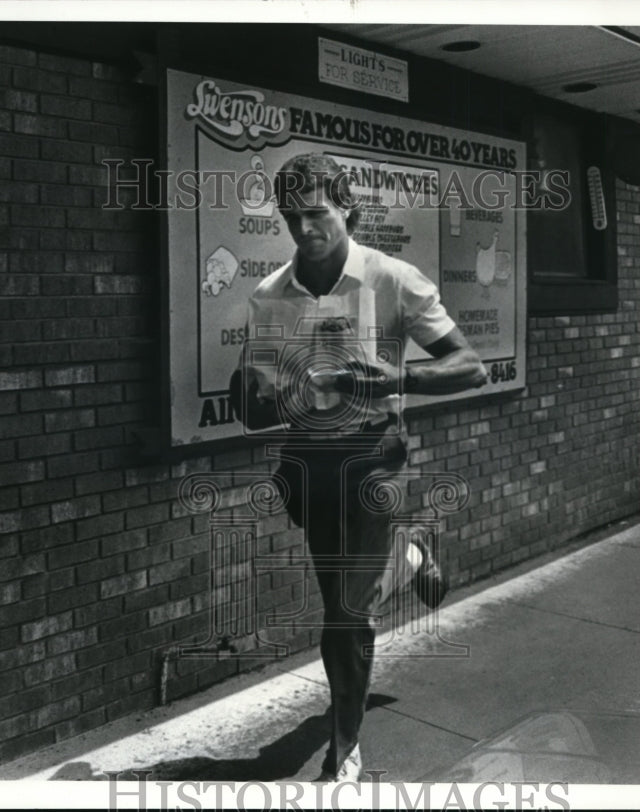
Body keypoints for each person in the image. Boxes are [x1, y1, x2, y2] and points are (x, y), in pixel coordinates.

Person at [230, 153, 487, 782]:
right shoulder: (270, 295)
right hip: (314, 460)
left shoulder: (393, 278)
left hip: (375, 456)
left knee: (346, 615)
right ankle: (416, 555)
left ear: (349, 207)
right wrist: (255, 393)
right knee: (343, 600)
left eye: (316, 213)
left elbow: (469, 366)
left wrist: (396, 377)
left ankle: (345, 749)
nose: (303, 227)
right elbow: (259, 391)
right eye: (291, 215)